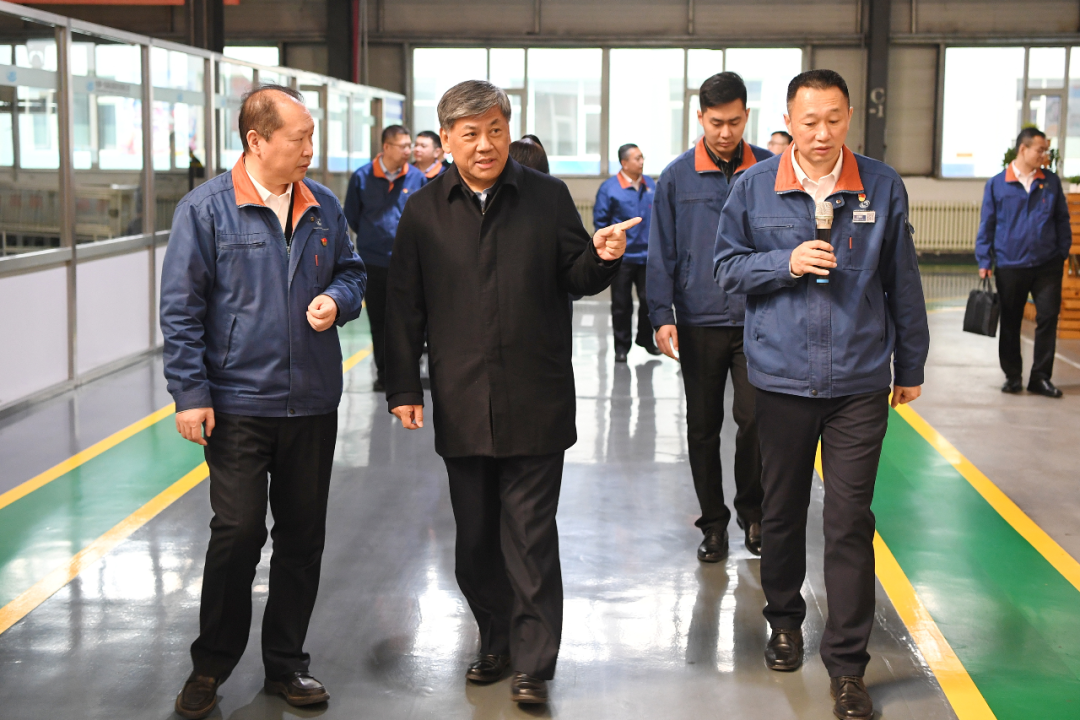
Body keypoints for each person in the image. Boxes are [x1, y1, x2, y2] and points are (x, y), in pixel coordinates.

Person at [383, 80, 637, 705]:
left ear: (507, 130)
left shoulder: (547, 197)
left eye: (495, 130)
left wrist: (603, 256)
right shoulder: (423, 211)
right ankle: (493, 637)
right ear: (446, 140)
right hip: (463, 397)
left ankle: (532, 663)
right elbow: (403, 306)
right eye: (470, 134)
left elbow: (575, 275)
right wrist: (403, 386)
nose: (485, 144)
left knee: (529, 536)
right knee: (474, 542)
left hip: (535, 394)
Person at [714, 69, 929, 720]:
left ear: (849, 118)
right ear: (788, 120)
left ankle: (848, 667)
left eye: (834, 119)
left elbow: (902, 280)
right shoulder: (754, 186)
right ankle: (784, 619)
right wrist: (784, 263)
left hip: (857, 380)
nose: (821, 133)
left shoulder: (881, 186)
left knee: (848, 520)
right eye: (809, 121)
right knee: (780, 512)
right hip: (779, 377)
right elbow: (725, 269)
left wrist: (911, 362)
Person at [160, 85, 367, 720]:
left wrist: (338, 300)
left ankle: (286, 664)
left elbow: (353, 271)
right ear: (257, 141)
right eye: (299, 138)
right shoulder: (206, 211)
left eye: (311, 137)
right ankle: (210, 665)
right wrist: (189, 394)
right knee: (238, 531)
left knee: (302, 537)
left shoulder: (323, 206)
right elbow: (181, 309)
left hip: (311, 402)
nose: (310, 149)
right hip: (237, 404)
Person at [646, 72, 771, 563]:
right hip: (698, 319)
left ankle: (752, 513)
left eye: (735, 122)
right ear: (700, 117)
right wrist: (662, 314)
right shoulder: (676, 177)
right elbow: (662, 250)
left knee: (755, 419)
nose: (725, 132)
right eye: (716, 122)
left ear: (746, 116)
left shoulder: (768, 169)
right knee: (702, 426)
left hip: (756, 316)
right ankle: (713, 524)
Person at [976, 126, 1071, 398]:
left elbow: (1062, 219)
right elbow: (987, 223)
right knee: (1010, 321)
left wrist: (1062, 252)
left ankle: (1040, 378)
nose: (1044, 155)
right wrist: (984, 259)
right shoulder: (997, 184)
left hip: (1047, 265)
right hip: (1010, 264)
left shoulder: (1050, 182)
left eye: (1045, 151)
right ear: (1023, 149)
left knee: (1048, 318)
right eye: (1040, 150)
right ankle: (1012, 376)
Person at [344, 124, 425, 392]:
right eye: (403, 146)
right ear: (386, 147)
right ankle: (384, 375)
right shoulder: (362, 177)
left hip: (407, 263)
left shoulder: (416, 178)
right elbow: (352, 216)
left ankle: (407, 375)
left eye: (410, 145)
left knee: (407, 321)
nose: (409, 151)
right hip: (373, 263)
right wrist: (373, 238)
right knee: (379, 321)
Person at [595, 143, 660, 361]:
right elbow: (601, 223)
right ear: (624, 163)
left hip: (647, 256)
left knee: (649, 300)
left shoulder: (650, 184)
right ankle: (622, 347)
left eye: (642, 158)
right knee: (621, 304)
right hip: (621, 258)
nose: (641, 162)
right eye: (637, 158)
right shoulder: (609, 189)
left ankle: (645, 339)